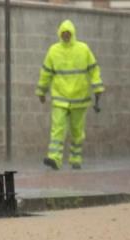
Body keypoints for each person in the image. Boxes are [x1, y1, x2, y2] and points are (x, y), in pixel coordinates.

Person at [36, 19, 104, 170]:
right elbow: (45, 73)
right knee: (57, 129)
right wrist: (41, 91)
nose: (66, 35)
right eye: (63, 33)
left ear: (72, 34)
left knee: (76, 131)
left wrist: (98, 88)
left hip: (79, 98)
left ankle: (75, 158)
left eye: (68, 33)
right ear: (60, 33)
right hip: (60, 97)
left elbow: (94, 70)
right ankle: (55, 159)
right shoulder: (53, 51)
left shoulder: (83, 49)